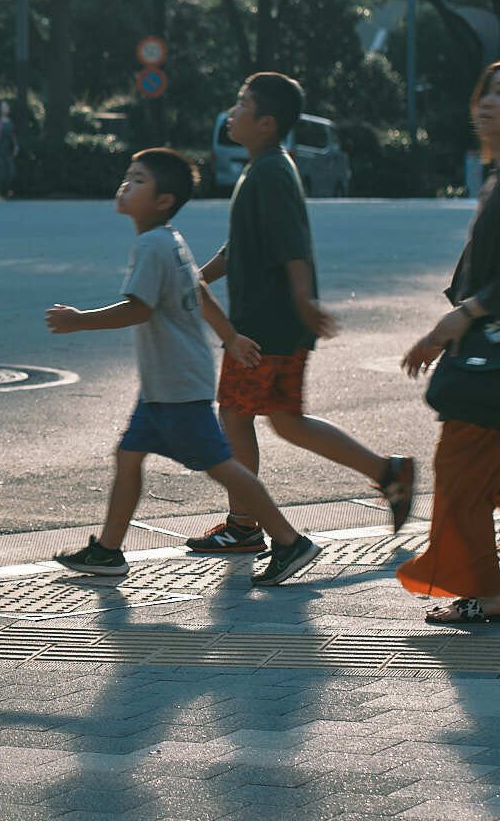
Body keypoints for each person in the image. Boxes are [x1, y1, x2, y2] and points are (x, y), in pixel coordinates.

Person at [46, 148, 321, 585]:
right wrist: (229, 337)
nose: (126, 184)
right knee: (129, 455)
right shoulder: (169, 240)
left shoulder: (152, 245)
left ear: (162, 201)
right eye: (128, 176)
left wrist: (80, 321)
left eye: (139, 180)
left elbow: (137, 309)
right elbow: (198, 289)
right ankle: (108, 551)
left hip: (175, 386)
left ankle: (289, 541)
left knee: (222, 466)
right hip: (167, 383)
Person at [190, 72, 415, 559]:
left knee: (234, 414)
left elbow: (292, 244)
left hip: (265, 324)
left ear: (266, 122)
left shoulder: (271, 171)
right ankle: (387, 473)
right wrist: (200, 277)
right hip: (273, 321)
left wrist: (303, 300)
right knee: (286, 422)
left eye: (242, 102)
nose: (233, 109)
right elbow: (243, 245)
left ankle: (244, 524)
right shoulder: (264, 168)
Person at [396, 61, 500, 624]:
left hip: (488, 370)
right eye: (486, 92)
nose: (488, 103)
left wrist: (464, 316)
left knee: (461, 481)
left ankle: (489, 591)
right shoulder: (495, 178)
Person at [0, 102, 18, 200]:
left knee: (11, 172)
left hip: (8, 151)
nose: (6, 108)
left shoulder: (11, 123)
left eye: (7, 106)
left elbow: (13, 136)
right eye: (4, 107)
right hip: (0, 151)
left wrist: (16, 146)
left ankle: (8, 191)